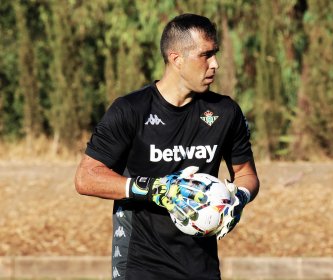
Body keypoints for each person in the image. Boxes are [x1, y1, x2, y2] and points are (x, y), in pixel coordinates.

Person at [75, 13, 259, 280]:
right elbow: (86, 178)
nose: (215, 64)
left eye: (215, 53)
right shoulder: (130, 110)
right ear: (177, 59)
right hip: (140, 263)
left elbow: (246, 174)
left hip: (201, 266)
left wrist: (239, 198)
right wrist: (155, 189)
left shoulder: (224, 112)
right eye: (205, 55)